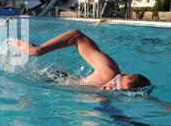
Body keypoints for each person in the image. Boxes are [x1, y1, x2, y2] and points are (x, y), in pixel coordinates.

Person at [11, 29, 151, 91]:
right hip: (56, 79)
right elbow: (77, 36)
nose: (110, 86)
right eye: (115, 81)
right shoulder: (108, 71)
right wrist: (38, 50)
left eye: (115, 88)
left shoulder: (110, 100)